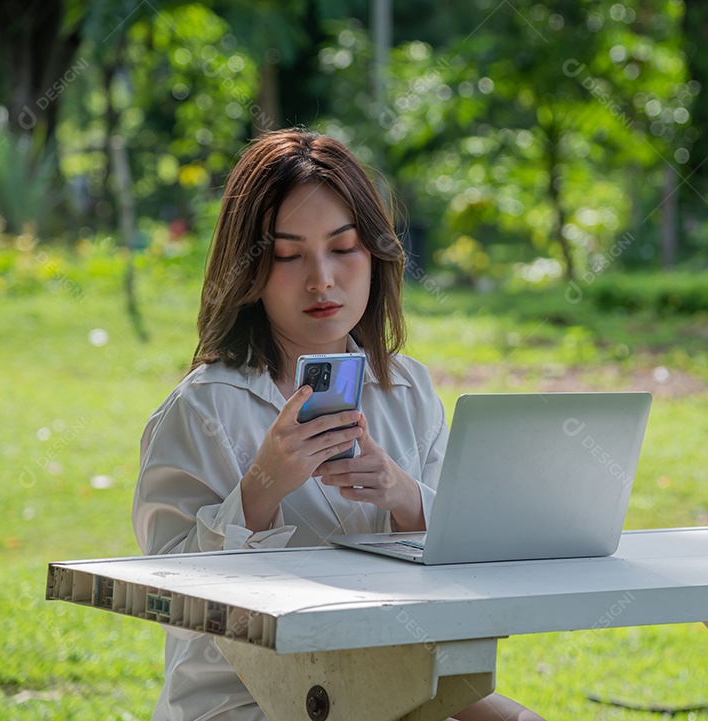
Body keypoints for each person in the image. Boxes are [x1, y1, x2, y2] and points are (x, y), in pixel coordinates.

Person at [132, 129, 544, 721]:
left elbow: (466, 568)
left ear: (374, 254)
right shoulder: (203, 408)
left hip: (397, 683)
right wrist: (260, 490)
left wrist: (405, 496)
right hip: (245, 701)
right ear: (249, 269)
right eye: (287, 255)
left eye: (344, 247)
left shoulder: (407, 390)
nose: (321, 279)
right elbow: (168, 597)